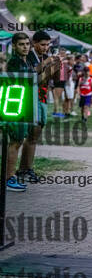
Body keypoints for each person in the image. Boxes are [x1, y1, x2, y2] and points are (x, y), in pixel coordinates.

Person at [18, 30, 58, 184]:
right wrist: (48, 66)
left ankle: (27, 168)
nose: (45, 47)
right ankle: (23, 169)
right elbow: (33, 79)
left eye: (47, 45)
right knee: (30, 136)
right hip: (30, 98)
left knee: (35, 136)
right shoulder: (28, 56)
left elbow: (50, 80)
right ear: (34, 43)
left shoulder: (45, 57)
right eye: (42, 44)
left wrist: (56, 69)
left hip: (42, 98)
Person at [6, 33, 36, 191]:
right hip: (14, 105)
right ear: (14, 46)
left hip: (24, 104)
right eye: (21, 44)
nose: (25, 47)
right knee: (15, 142)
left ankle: (11, 176)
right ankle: (9, 178)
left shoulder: (27, 61)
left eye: (27, 44)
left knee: (18, 141)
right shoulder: (14, 62)